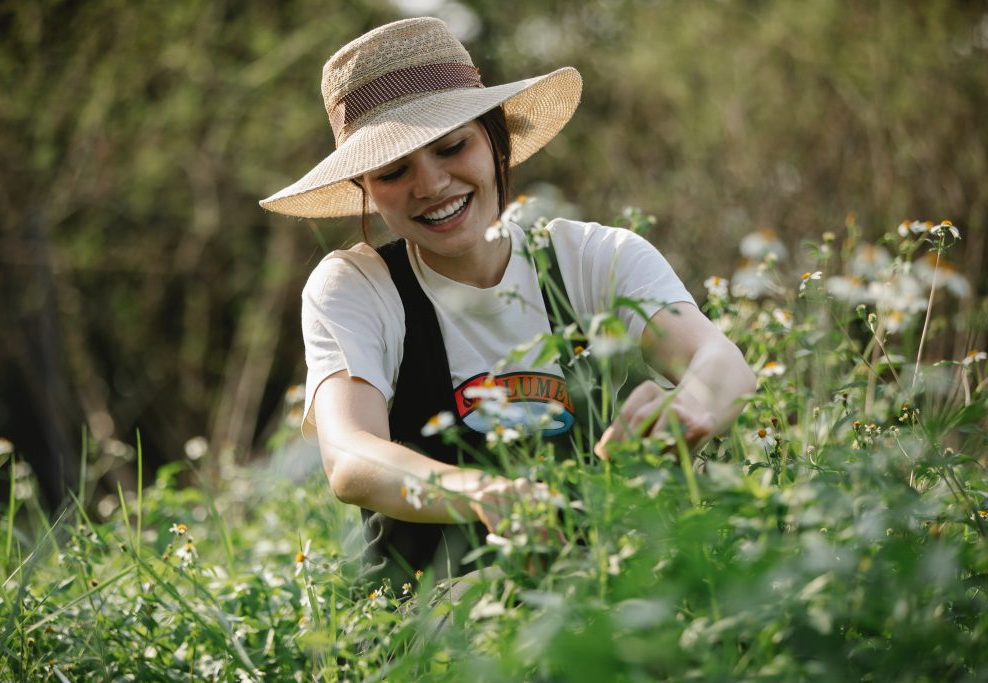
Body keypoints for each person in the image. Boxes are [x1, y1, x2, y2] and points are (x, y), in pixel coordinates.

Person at [260, 17, 756, 590]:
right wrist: (477, 492)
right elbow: (349, 456)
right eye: (394, 171)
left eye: (452, 147)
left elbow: (725, 366)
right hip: (429, 624)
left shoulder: (593, 258)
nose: (430, 185)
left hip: (602, 596)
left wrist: (690, 405)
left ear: (495, 136)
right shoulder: (356, 286)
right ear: (365, 189)